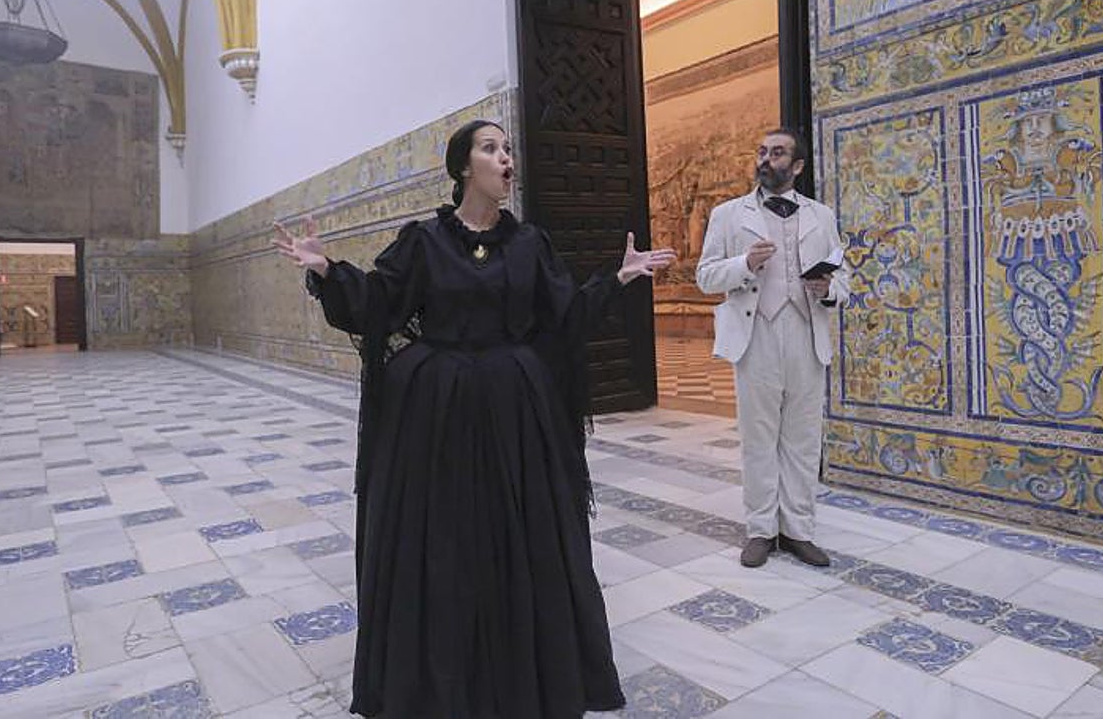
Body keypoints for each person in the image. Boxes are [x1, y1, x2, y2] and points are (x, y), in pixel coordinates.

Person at [273, 119, 676, 718]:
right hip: (438, 419)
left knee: (522, 535)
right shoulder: (423, 241)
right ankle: (444, 673)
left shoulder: (529, 245)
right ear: (464, 167)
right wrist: (329, 271)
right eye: (491, 149)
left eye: (508, 148)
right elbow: (379, 303)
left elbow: (563, 318)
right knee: (448, 539)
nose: (506, 158)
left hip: (517, 416)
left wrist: (615, 279)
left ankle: (522, 667)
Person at [695, 127, 848, 569]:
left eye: (777, 153)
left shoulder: (822, 216)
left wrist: (829, 288)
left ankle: (798, 530)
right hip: (755, 334)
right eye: (761, 151)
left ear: (797, 166)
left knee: (802, 440)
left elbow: (845, 279)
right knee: (758, 439)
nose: (766, 159)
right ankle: (760, 530)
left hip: (806, 333)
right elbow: (705, 277)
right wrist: (744, 264)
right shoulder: (728, 215)